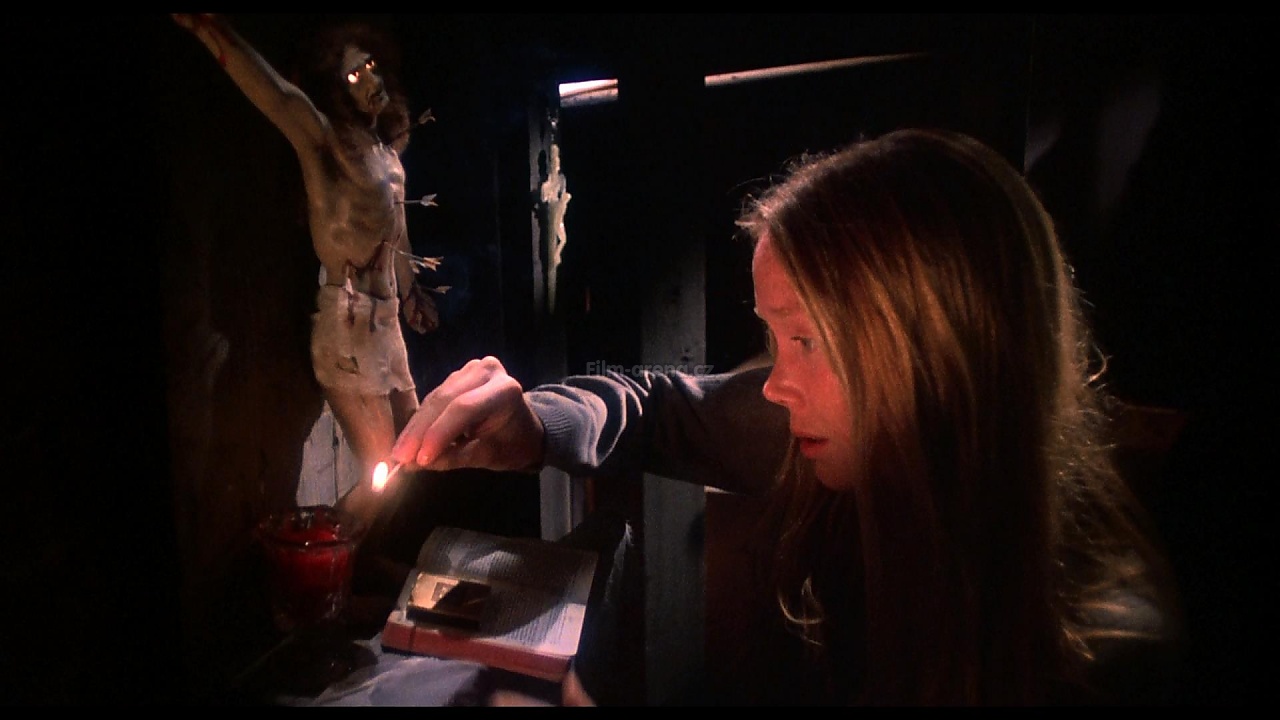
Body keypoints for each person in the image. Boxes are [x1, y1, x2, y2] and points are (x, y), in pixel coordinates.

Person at [388, 128, 1185, 705]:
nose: (774, 387)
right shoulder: (837, 433)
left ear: (940, 349)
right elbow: (660, 406)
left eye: (807, 340)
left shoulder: (1097, 657)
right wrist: (532, 425)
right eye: (775, 339)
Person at [172, 14, 441, 534]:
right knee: (383, 472)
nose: (369, 79)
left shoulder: (388, 156)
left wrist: (412, 296)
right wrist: (211, 29)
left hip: (385, 325)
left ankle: (347, 558)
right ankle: (318, 559)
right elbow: (276, 96)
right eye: (353, 75)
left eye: (370, 66)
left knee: (413, 452)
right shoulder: (325, 142)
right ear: (336, 90)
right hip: (348, 323)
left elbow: (398, 236)